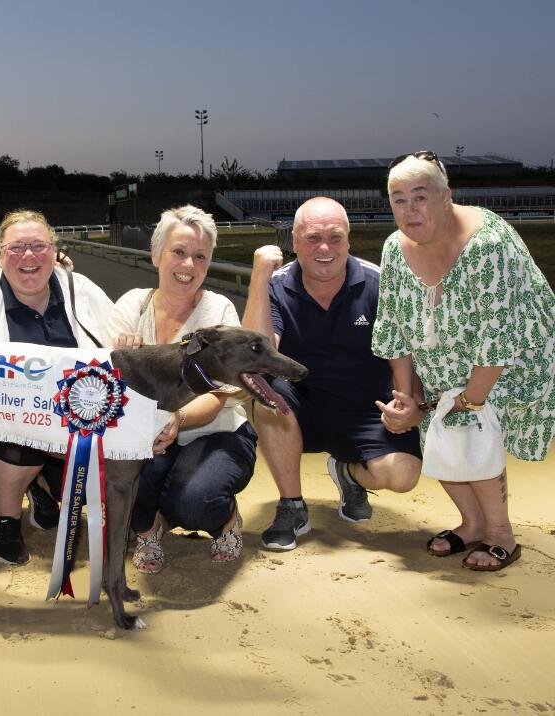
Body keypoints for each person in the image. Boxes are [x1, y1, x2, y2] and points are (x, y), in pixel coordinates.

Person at [372, 151, 555, 571]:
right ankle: (471, 525)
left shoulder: (487, 245)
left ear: (445, 197)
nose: (409, 209)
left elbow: (498, 338)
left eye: (420, 197)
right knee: (437, 435)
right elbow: (395, 328)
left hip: (512, 355)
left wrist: (468, 403)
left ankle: (500, 535)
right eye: (398, 199)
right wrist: (407, 399)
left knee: (471, 431)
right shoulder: (393, 250)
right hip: (447, 356)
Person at [0, 209, 120, 568]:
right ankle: (5, 520)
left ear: (54, 252)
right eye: (17, 247)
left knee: (113, 474)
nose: (28, 256)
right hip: (15, 435)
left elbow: (118, 353)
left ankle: (41, 487)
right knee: (13, 409)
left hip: (77, 426)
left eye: (38, 246)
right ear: (0, 254)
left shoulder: (82, 291)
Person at [242, 197, 422, 551]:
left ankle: (347, 471)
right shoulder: (276, 286)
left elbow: (403, 353)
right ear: (293, 242)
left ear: (349, 240)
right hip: (301, 408)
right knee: (267, 398)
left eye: (335, 237)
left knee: (403, 475)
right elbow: (258, 358)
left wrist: (407, 402)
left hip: (366, 408)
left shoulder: (378, 284)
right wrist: (259, 278)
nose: (325, 248)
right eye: (312, 238)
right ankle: (291, 505)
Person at [105, 204, 258, 572]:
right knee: (124, 475)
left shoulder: (218, 312)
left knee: (193, 501)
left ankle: (226, 520)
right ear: (157, 253)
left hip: (213, 430)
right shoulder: (132, 304)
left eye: (200, 256)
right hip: (149, 435)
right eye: (178, 252)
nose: (188, 265)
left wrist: (176, 417)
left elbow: (217, 396)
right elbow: (107, 387)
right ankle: (150, 528)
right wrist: (121, 360)